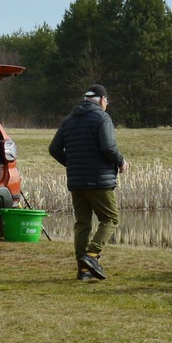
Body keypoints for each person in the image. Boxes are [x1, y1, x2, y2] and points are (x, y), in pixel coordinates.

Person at [47, 84, 126, 281]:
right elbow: (108, 147)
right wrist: (121, 161)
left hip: (76, 180)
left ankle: (83, 271)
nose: (107, 105)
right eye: (107, 101)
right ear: (100, 99)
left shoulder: (68, 120)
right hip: (99, 179)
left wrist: (72, 164)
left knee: (82, 223)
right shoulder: (102, 118)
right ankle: (91, 256)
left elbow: (54, 148)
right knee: (111, 219)